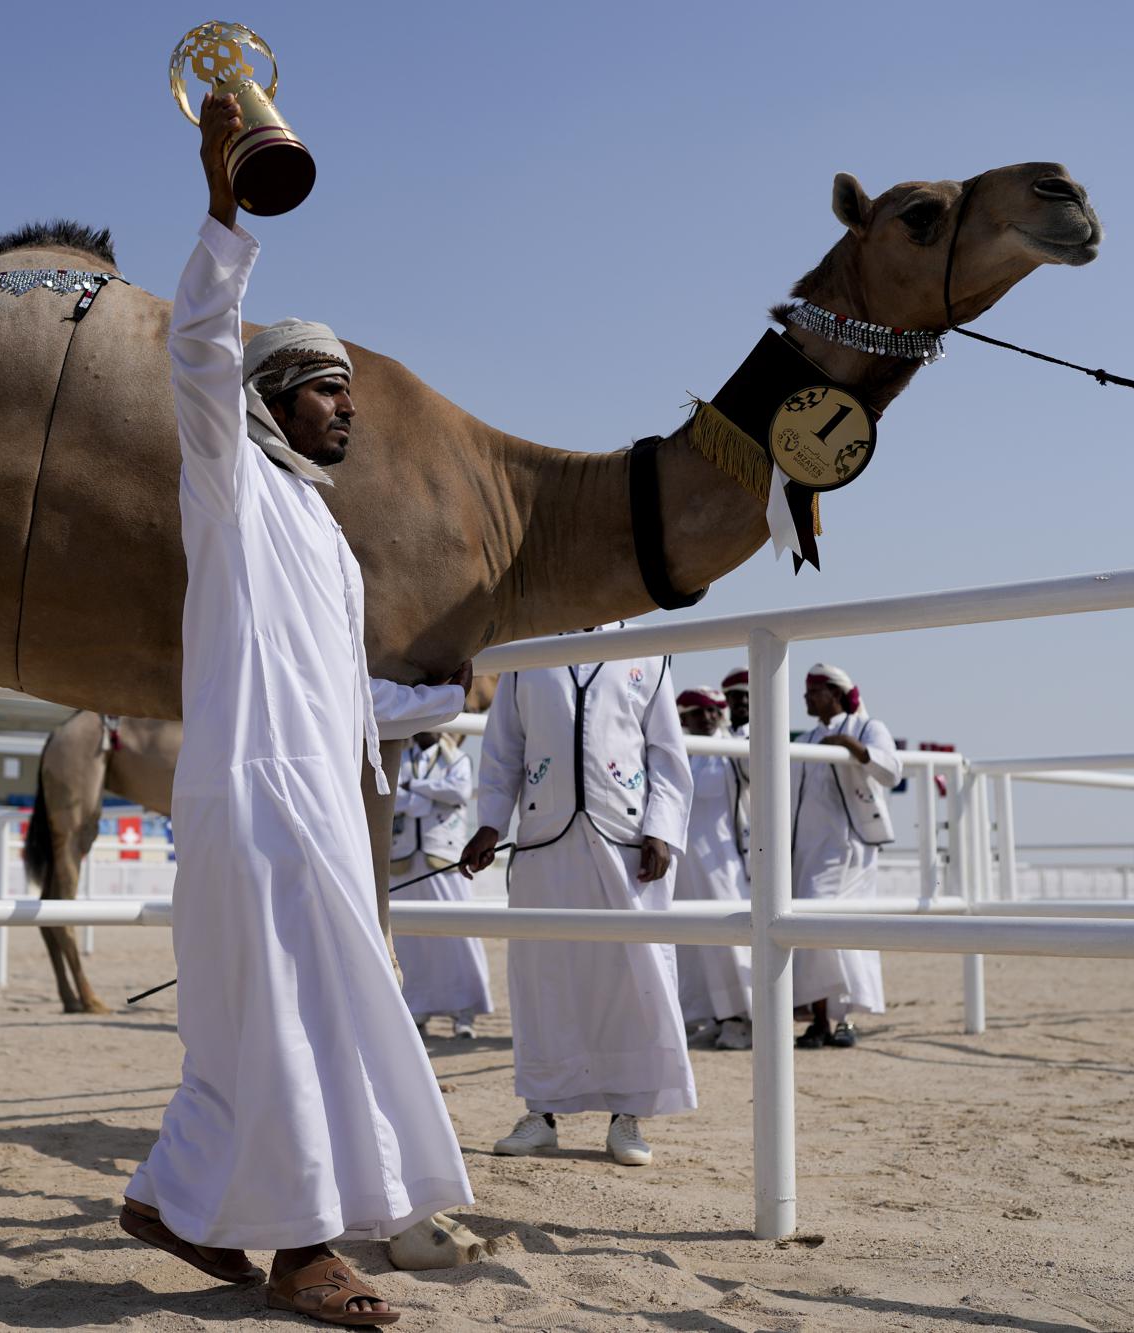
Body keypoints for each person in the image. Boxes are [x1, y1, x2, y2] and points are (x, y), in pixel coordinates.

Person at [119, 92, 473, 1327]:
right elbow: (198, 351)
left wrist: (440, 690)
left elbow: (339, 686)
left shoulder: (320, 530)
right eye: (322, 388)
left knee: (262, 1021)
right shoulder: (226, 480)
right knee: (290, 1023)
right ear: (266, 400)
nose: (346, 406)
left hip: (316, 800)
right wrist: (223, 209)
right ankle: (303, 1252)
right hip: (255, 796)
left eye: (347, 390)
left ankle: (173, 1198)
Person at [461, 628, 695, 1168]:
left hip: (627, 841)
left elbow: (665, 752)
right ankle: (541, 1114)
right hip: (546, 840)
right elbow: (503, 751)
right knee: (545, 976)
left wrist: (661, 829)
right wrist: (491, 825)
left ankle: (627, 1114)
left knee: (632, 976)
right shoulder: (527, 652)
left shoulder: (647, 649)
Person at [790, 663, 900, 1049]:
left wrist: (849, 747)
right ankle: (820, 1020)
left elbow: (892, 771)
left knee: (844, 932)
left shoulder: (868, 728)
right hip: (809, 851)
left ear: (835, 693)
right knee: (807, 931)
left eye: (813, 690)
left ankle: (845, 1019)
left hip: (850, 851)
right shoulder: (804, 738)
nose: (806, 697)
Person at [390, 730, 491, 1039]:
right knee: (410, 939)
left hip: (443, 854)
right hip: (404, 855)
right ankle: (416, 1007)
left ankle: (465, 1011)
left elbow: (458, 791)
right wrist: (427, 795)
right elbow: (392, 794)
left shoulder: (457, 759)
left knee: (456, 934)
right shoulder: (399, 759)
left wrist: (415, 788)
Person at [672, 688, 753, 1051]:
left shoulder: (733, 748)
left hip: (722, 862)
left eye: (711, 711)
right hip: (685, 866)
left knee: (729, 941)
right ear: (683, 717)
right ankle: (714, 1017)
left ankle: (744, 1020)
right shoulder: (679, 752)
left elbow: (756, 770)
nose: (705, 718)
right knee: (693, 944)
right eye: (697, 712)